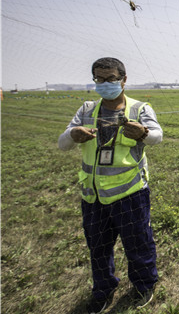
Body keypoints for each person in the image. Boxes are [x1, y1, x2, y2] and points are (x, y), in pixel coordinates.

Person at [58, 57, 162, 314]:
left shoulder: (140, 109)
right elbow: (62, 143)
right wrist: (73, 135)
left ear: (123, 80)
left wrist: (144, 134)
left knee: (137, 243)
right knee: (98, 247)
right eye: (99, 80)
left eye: (111, 79)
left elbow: (157, 137)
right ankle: (103, 290)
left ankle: (143, 285)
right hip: (93, 195)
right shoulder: (86, 109)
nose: (105, 84)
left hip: (129, 192)